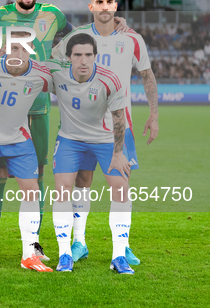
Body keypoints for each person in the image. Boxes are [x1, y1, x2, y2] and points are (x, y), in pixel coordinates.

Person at [51, 0, 158, 265]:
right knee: (81, 182)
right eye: (99, 2)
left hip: (118, 127)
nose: (105, 6)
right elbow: (52, 62)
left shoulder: (133, 39)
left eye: (109, 1)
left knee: (121, 185)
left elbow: (147, 76)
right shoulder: (77, 38)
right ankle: (79, 242)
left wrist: (154, 115)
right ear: (91, 6)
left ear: (116, 5)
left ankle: (122, 248)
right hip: (78, 127)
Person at [0, 0, 70, 262]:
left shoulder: (54, 15)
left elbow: (75, 38)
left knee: (38, 173)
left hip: (39, 105)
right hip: (2, 106)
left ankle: (34, 242)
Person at [0, 32, 54, 273]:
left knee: (32, 191)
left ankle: (28, 255)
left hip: (18, 139)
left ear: (31, 51)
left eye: (24, 49)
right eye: (14, 48)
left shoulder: (41, 73)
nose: (18, 54)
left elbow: (70, 82)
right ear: (4, 48)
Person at [44, 33, 134, 274]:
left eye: (88, 55)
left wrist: (118, 152)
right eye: (77, 55)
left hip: (104, 140)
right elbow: (30, 68)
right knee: (63, 188)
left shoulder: (109, 79)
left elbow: (119, 118)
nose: (83, 60)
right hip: (70, 139)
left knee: (121, 188)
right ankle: (66, 253)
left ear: (95, 56)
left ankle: (118, 255)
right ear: (69, 57)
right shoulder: (57, 72)